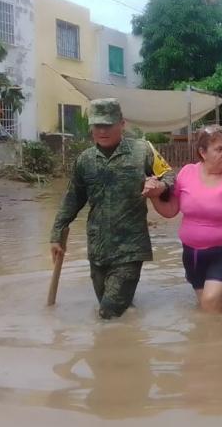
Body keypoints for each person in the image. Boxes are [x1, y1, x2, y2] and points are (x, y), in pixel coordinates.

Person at [50, 98, 174, 320]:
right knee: (115, 309)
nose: (102, 130)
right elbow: (72, 199)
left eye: (108, 125)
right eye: (97, 125)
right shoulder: (85, 160)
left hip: (130, 248)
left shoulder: (142, 150)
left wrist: (160, 186)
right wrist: (57, 234)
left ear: (122, 123)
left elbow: (170, 176)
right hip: (98, 248)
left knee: (108, 311)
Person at [149, 125, 222, 313]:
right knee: (208, 307)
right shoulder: (186, 173)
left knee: (209, 301)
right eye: (219, 149)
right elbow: (170, 210)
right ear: (202, 152)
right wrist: (154, 196)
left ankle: (216, 339)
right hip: (192, 256)